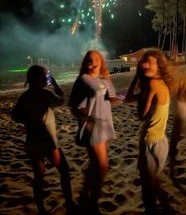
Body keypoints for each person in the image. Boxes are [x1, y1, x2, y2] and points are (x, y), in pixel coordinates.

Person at [11, 65, 75, 215]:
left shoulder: (25, 96)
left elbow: (15, 116)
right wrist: (55, 84)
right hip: (48, 141)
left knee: (39, 176)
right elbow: (61, 100)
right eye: (45, 76)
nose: (46, 78)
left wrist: (28, 120)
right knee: (64, 171)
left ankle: (41, 209)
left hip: (32, 141)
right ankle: (70, 204)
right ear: (39, 79)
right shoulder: (45, 94)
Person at [69, 50, 121, 214]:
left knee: (95, 165)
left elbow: (111, 100)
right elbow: (73, 105)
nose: (92, 62)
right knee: (103, 166)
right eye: (89, 60)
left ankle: (84, 195)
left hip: (105, 124)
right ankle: (93, 202)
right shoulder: (83, 80)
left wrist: (126, 95)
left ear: (101, 62)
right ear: (85, 63)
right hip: (93, 128)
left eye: (96, 59)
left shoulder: (105, 79)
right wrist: (84, 119)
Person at [125, 49, 174, 215]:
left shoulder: (152, 85)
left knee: (147, 189)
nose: (144, 65)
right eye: (142, 62)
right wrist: (137, 78)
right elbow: (129, 98)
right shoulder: (161, 84)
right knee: (156, 183)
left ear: (158, 66)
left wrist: (137, 78)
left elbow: (141, 115)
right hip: (161, 142)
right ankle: (167, 208)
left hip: (150, 142)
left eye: (148, 62)